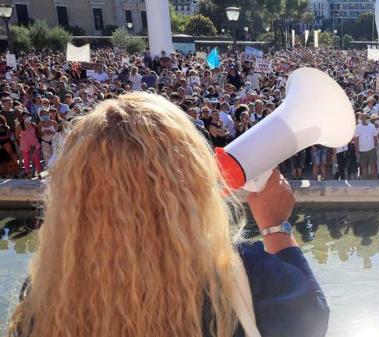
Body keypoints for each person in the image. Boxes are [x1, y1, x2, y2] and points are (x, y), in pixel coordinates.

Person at [7, 93, 329, 337]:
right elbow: (310, 320)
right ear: (189, 179)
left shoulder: (42, 294)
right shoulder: (242, 275)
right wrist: (275, 226)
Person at [15, 111, 42, 178]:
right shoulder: (19, 126)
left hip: (35, 144)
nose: (27, 117)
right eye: (25, 116)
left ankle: (39, 173)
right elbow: (17, 136)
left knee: (37, 159)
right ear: (22, 117)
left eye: (28, 116)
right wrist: (23, 141)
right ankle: (28, 173)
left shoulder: (33, 124)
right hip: (25, 146)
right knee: (26, 159)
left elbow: (37, 134)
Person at [354, 114, 377, 179]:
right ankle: (365, 181)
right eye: (363, 118)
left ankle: (373, 181)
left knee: (372, 166)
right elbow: (356, 140)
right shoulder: (357, 127)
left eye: (366, 118)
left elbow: (375, 137)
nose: (364, 119)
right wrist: (356, 151)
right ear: (361, 119)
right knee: (364, 166)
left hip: (372, 149)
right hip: (362, 151)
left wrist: (375, 147)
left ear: (367, 118)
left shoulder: (372, 126)